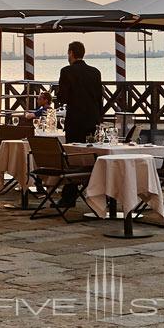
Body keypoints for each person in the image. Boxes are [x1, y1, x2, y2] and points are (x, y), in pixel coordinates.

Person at [56, 41, 103, 206]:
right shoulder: (95, 72)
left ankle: (69, 197)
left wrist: (56, 97)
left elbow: (63, 97)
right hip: (92, 120)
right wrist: (99, 119)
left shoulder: (66, 71)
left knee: (73, 157)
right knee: (92, 156)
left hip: (75, 121)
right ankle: (95, 191)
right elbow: (99, 98)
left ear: (71, 53)